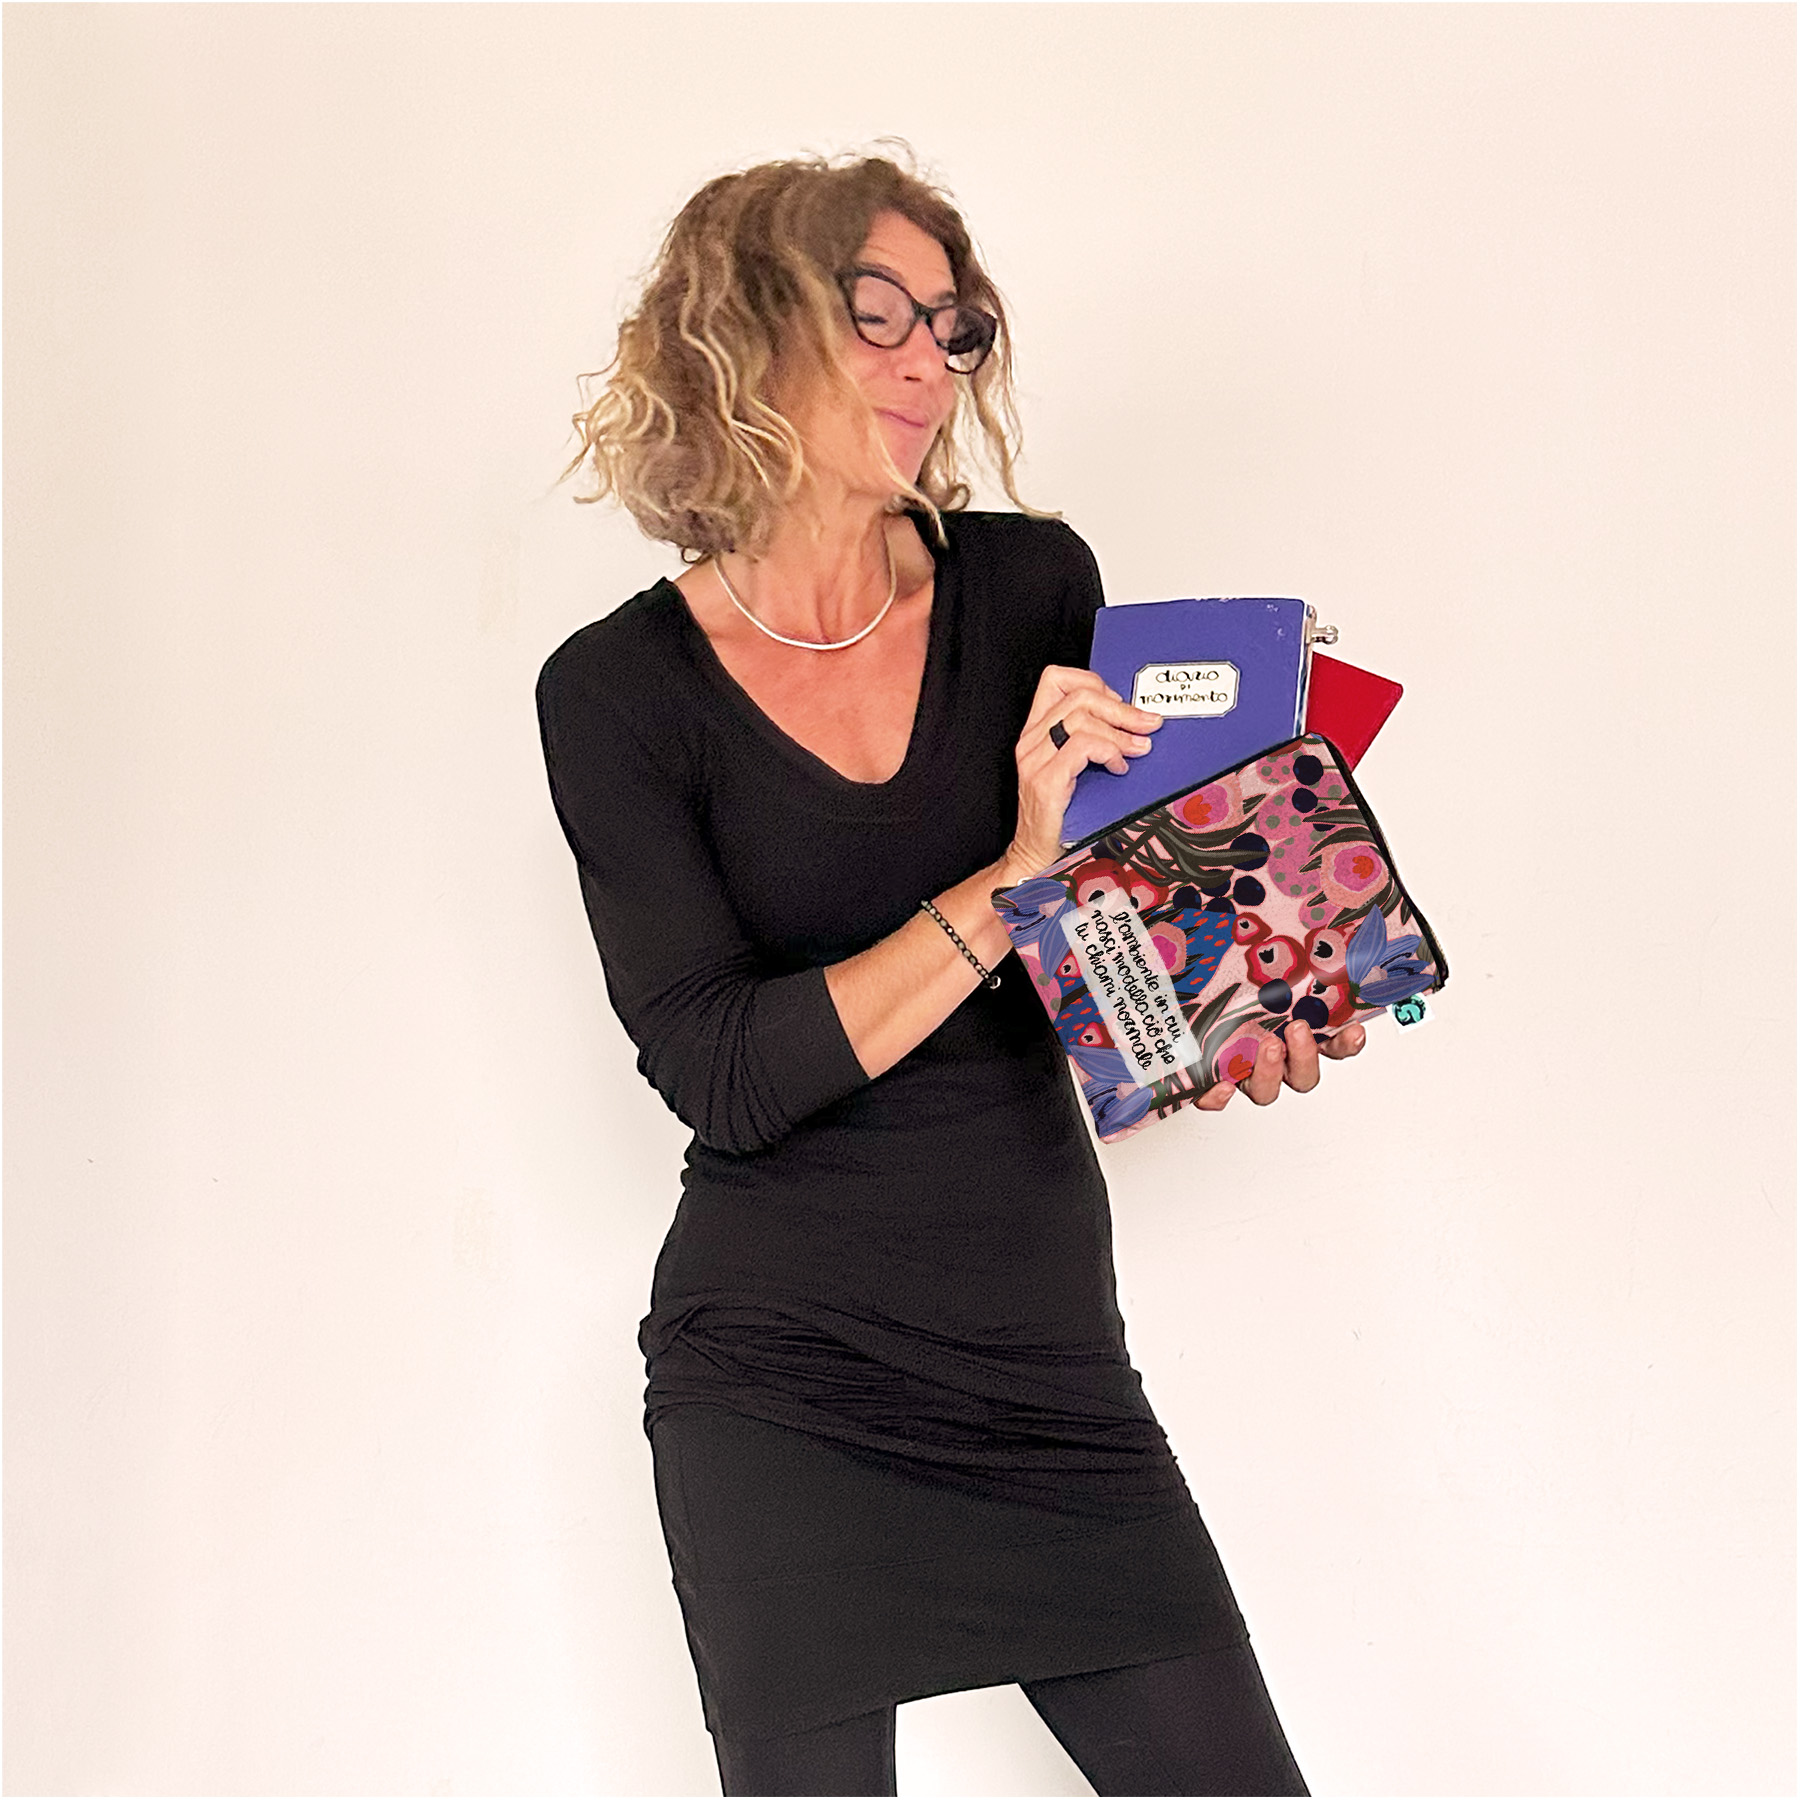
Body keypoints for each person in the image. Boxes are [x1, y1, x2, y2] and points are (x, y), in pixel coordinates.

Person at [536, 151, 1365, 1798]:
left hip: (1046, 1368)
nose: (932, 359)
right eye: (880, 317)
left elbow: (1102, 965)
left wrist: (1230, 1002)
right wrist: (1005, 881)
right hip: (779, 1379)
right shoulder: (617, 692)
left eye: (954, 324)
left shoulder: (1033, 587)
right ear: (744, 336)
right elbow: (725, 1073)